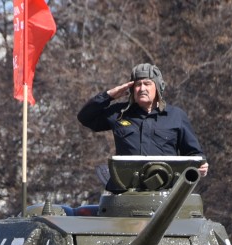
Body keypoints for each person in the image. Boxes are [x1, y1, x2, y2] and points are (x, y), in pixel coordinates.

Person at [77, 63, 208, 178]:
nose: (142, 88)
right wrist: (109, 96)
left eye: (147, 83)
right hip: (125, 191)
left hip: (166, 191)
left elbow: (194, 154)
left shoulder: (176, 116)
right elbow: (85, 117)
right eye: (138, 85)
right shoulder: (120, 113)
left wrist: (201, 165)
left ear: (158, 87)